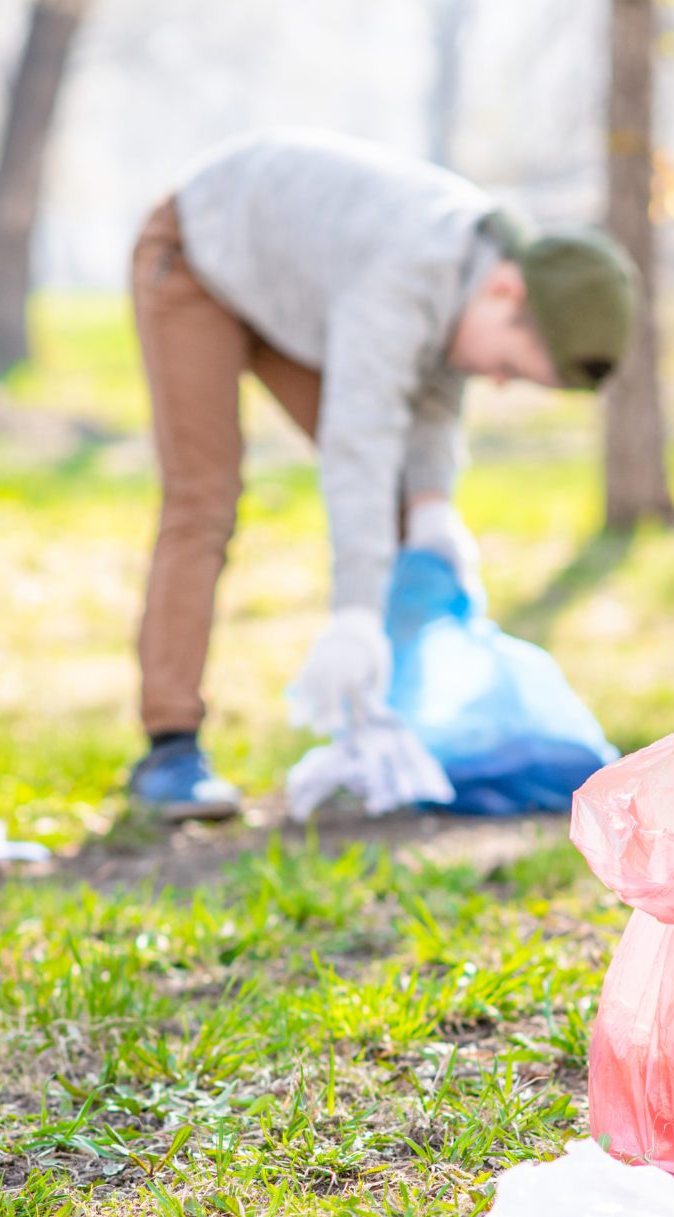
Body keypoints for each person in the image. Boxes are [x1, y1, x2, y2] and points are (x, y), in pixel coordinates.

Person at [124, 129, 637, 818]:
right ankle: (170, 747)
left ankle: (397, 728)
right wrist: (355, 617)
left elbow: (428, 408)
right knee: (205, 496)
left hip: (293, 292)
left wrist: (431, 512)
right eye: (510, 367)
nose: (500, 383)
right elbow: (359, 444)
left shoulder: (477, 278)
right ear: (506, 289)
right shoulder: (410, 269)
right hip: (200, 253)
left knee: (402, 513)